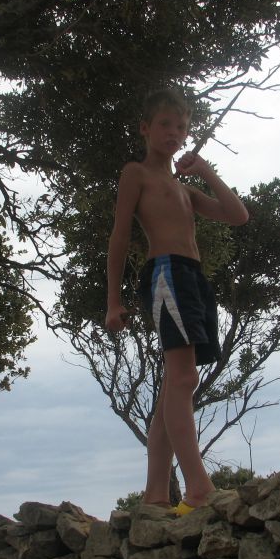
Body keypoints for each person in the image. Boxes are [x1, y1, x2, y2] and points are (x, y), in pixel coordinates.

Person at [105, 89, 249, 515]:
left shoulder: (184, 189)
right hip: (166, 272)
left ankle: (155, 493)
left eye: (182, 127)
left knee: (176, 382)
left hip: (193, 278)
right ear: (145, 128)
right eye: (165, 124)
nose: (174, 132)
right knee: (184, 378)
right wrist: (112, 300)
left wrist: (205, 170)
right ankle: (198, 487)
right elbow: (119, 235)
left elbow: (237, 215)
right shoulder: (136, 174)